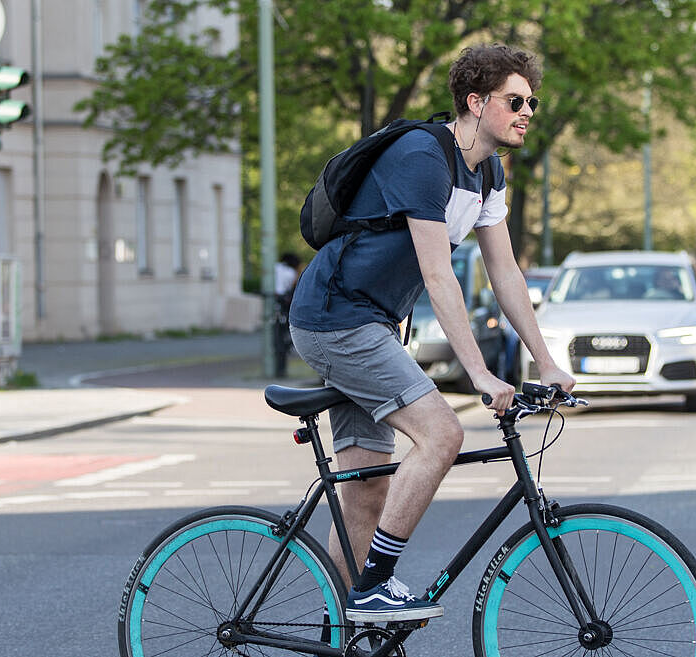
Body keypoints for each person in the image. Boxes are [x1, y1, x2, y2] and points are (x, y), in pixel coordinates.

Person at [287, 43, 574, 622]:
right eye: (515, 101)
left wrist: (546, 363)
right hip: (335, 320)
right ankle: (374, 586)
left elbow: (505, 272)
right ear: (475, 102)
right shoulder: (424, 155)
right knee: (442, 436)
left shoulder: (489, 171)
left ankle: (339, 628)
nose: (527, 112)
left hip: (373, 326)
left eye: (533, 102)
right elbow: (438, 273)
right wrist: (478, 374)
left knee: (366, 492)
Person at [272, 252, 302, 378]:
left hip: (274, 305)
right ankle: (282, 367)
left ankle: (279, 369)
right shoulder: (290, 273)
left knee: (277, 338)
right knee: (285, 337)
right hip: (284, 306)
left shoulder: (274, 268)